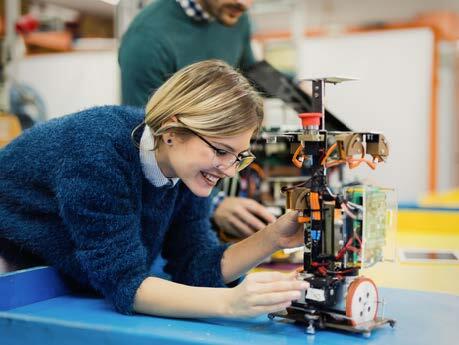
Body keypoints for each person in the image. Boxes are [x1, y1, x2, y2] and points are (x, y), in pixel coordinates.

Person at [0, 60, 308, 318]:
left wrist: (273, 238)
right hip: (12, 268)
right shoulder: (98, 151)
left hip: (55, 277)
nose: (228, 168)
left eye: (239, 157)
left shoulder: (186, 170)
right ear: (173, 131)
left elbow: (195, 264)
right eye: (220, 151)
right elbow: (125, 284)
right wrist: (229, 303)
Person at [118, 0, 275, 238]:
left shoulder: (234, 15)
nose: (245, 4)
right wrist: (215, 203)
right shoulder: (147, 38)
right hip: (158, 210)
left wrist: (299, 92)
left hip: (202, 184)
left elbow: (251, 74)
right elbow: (150, 138)